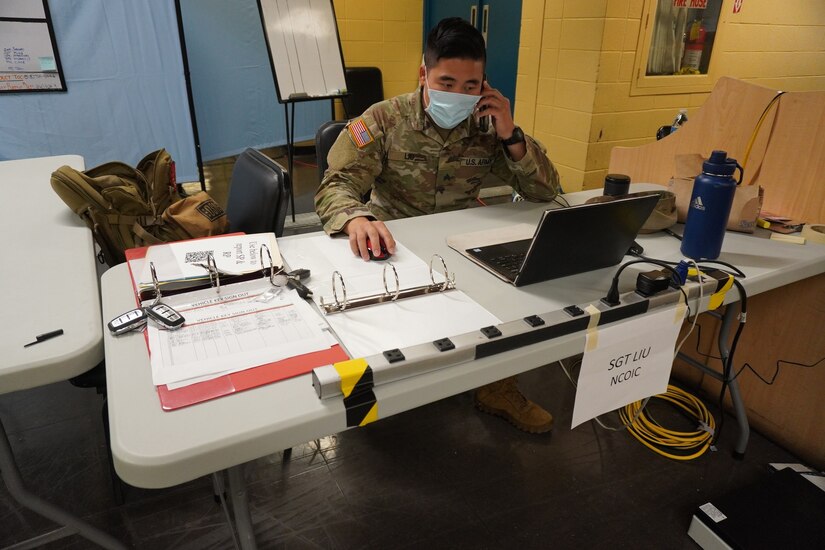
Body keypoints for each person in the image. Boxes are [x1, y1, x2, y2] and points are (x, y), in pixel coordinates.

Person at [315, 17, 561, 434]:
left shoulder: (487, 125)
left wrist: (511, 134)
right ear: (424, 74)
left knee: (510, 293)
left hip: (459, 244)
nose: (458, 95)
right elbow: (336, 184)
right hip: (393, 241)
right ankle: (386, 392)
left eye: (471, 86)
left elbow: (544, 190)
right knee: (381, 329)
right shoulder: (383, 119)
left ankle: (497, 386)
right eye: (446, 82)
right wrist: (356, 216)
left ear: (484, 85)